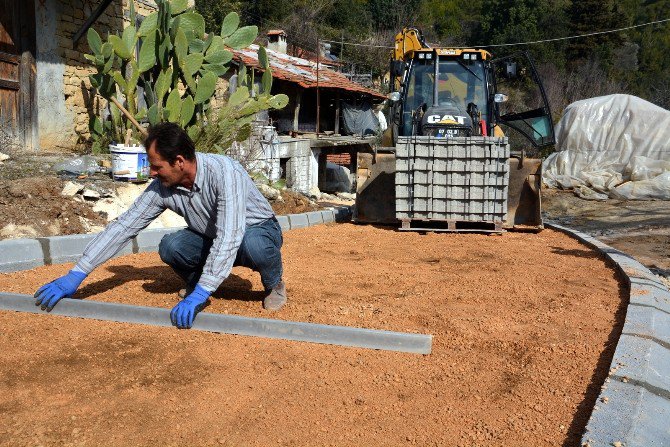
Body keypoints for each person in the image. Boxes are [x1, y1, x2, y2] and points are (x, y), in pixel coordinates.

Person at [33, 122, 286, 329]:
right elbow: (125, 227)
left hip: (257, 231)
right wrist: (78, 272)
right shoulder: (162, 187)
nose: (151, 173)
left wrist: (201, 294)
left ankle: (274, 284)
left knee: (253, 244)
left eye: (156, 166)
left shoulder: (225, 172)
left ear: (179, 161)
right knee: (171, 246)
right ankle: (202, 282)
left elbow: (230, 236)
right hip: (211, 236)